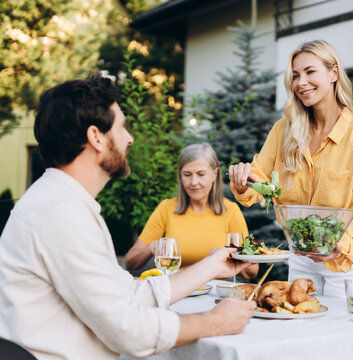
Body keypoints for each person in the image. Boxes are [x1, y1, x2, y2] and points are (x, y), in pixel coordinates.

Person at [0, 74, 256, 360]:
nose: (130, 138)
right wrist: (215, 321)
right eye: (121, 127)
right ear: (96, 137)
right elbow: (130, 329)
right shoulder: (59, 213)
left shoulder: (63, 203)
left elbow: (131, 296)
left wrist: (210, 266)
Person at [228, 40, 353, 297]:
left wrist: (340, 247)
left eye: (310, 72)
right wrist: (244, 180)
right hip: (299, 253)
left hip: (341, 255)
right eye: (296, 75)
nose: (301, 82)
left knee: (338, 327)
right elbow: (258, 179)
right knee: (299, 318)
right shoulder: (283, 131)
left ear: (333, 74)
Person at [125, 143, 258, 279]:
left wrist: (232, 255)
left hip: (213, 297)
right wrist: (150, 249)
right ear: (180, 176)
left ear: (214, 174)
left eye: (201, 174)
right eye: (187, 175)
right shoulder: (166, 208)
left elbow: (252, 272)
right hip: (175, 293)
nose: (194, 182)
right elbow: (131, 262)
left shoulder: (230, 211)